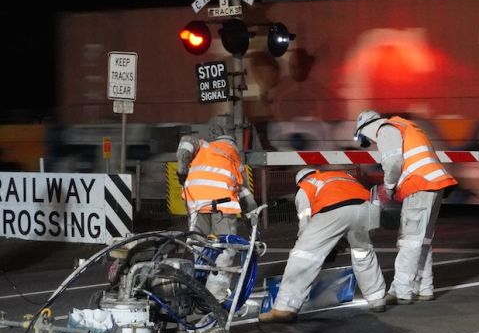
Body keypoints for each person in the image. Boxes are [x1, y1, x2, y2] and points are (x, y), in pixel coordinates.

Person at [353, 110, 458, 304]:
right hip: (433, 184)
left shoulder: (385, 129)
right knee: (422, 240)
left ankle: (401, 291)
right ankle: (424, 288)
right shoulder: (405, 126)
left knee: (409, 240)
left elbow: (393, 162)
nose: (372, 144)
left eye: (367, 140)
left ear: (365, 129)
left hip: (419, 185)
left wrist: (389, 188)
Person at [258, 167, 387, 322]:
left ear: (299, 181)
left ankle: (284, 309)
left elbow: (306, 223)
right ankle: (377, 299)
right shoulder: (339, 175)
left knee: (303, 255)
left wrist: (308, 243)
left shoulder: (306, 185)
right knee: (363, 253)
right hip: (366, 210)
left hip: (335, 210)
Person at [176, 122, 257, 236]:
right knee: (225, 244)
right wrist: (252, 230)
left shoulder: (204, 147)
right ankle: (224, 252)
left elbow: (186, 141)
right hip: (222, 204)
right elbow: (248, 200)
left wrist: (182, 172)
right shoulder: (236, 161)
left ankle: (200, 252)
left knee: (199, 243)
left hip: (196, 201)